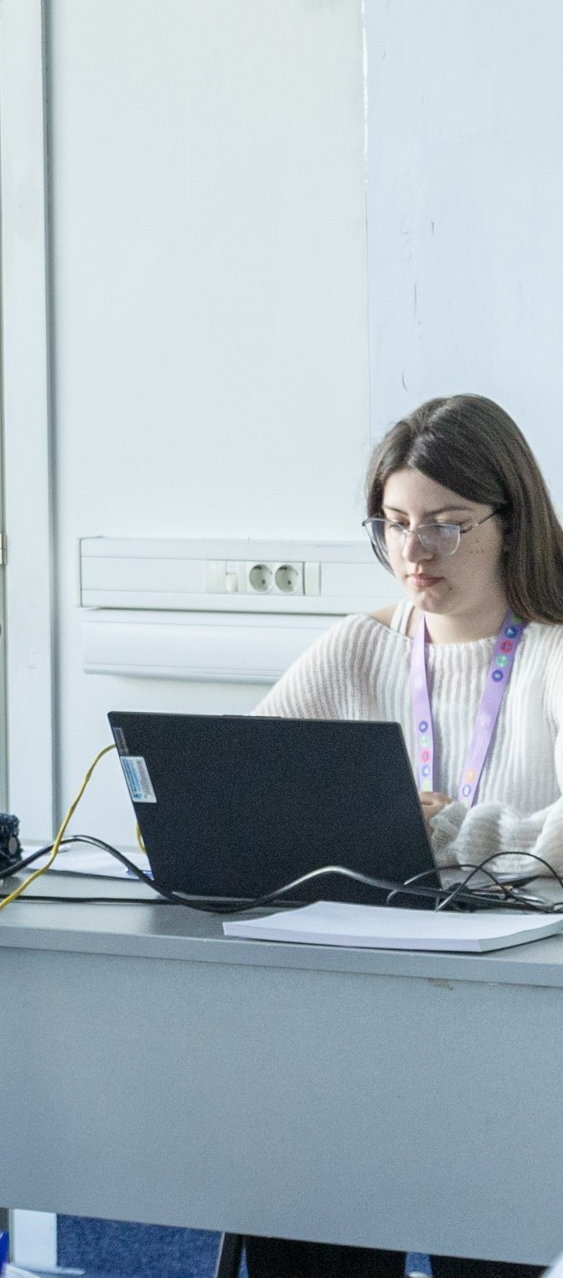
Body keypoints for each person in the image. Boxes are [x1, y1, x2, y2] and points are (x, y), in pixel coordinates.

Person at [246, 393, 563, 1278]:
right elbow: (244, 787)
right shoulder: (359, 649)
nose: (413, 553)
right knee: (296, 1192)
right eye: (393, 524)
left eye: (446, 526)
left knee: (493, 1225)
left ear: (511, 521)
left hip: (520, 1025)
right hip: (364, 1015)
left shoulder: (551, 652)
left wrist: (448, 832)